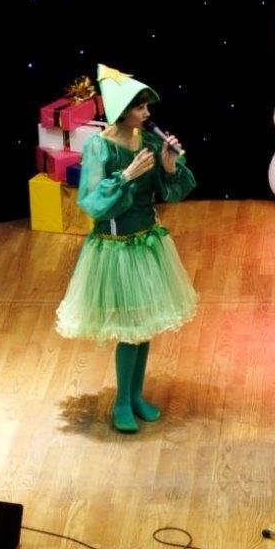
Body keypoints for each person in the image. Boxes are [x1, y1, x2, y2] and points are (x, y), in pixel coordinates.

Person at [56, 64, 198, 433]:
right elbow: (92, 203)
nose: (147, 113)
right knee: (130, 330)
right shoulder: (100, 147)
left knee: (144, 326)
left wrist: (168, 166)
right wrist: (126, 176)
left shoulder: (148, 141)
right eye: (140, 107)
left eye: (147, 106)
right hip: (116, 249)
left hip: (147, 243)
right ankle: (121, 401)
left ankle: (135, 396)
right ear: (122, 111)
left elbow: (171, 193)